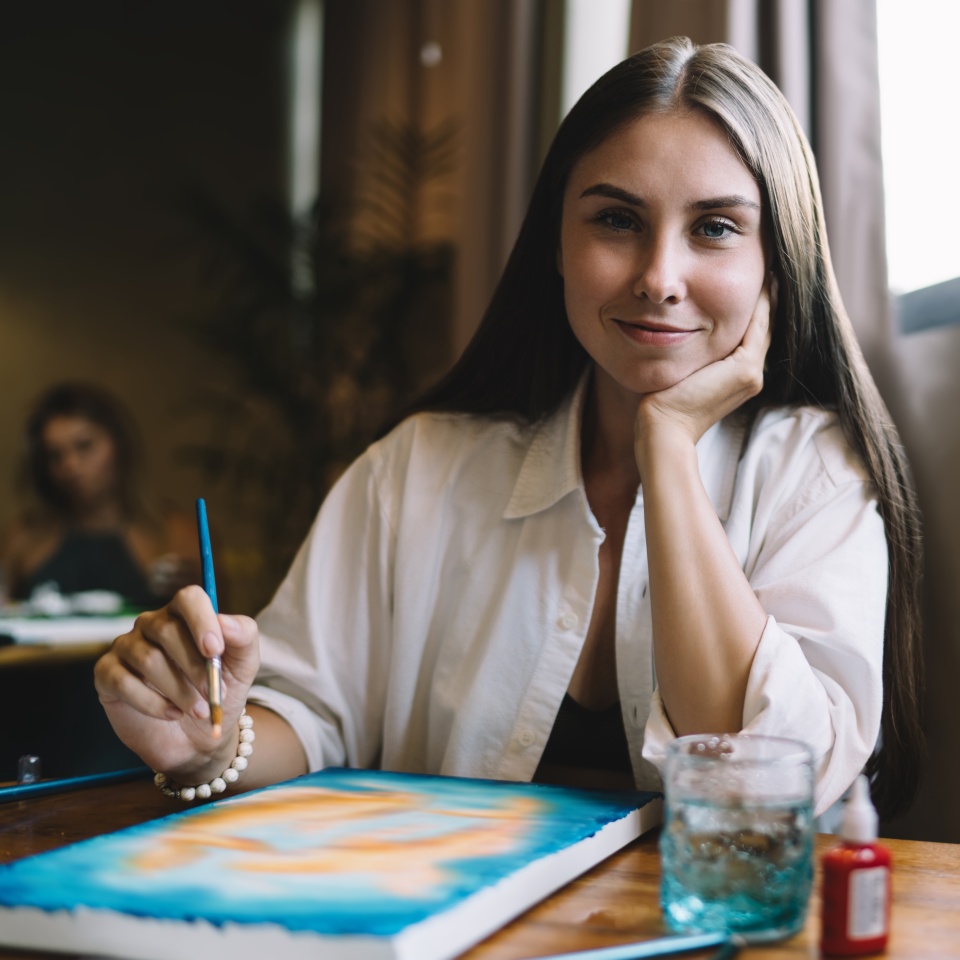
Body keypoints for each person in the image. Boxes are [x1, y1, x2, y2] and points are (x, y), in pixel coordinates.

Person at [94, 37, 923, 822]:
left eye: (714, 227)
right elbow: (309, 717)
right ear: (557, 245)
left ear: (775, 263)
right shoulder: (416, 469)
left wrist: (666, 449)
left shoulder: (813, 472)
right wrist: (208, 744)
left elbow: (758, 790)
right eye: (616, 220)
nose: (659, 278)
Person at [1, 382, 200, 609]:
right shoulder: (24, 537)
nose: (71, 465)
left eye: (84, 446)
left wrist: (192, 592)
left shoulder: (176, 534)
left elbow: (217, 628)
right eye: (55, 456)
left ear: (120, 445)